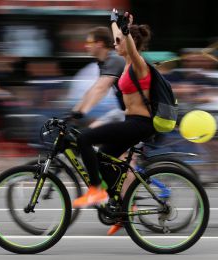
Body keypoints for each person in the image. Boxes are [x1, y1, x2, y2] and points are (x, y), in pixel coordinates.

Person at [72, 9, 156, 235]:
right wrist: (113, 22)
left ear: (130, 45)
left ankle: (95, 190)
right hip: (131, 121)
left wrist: (125, 31)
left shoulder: (138, 64)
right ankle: (123, 209)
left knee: (85, 138)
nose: (114, 44)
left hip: (140, 123)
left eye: (118, 42)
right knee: (102, 158)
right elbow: (121, 38)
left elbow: (127, 42)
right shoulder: (125, 63)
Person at [70, 26, 126, 122]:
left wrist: (82, 112)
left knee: (93, 134)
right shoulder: (103, 63)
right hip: (125, 112)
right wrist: (74, 110)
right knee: (93, 129)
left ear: (99, 44)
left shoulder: (114, 59)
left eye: (89, 42)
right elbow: (93, 90)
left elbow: (101, 89)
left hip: (139, 114)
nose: (86, 46)